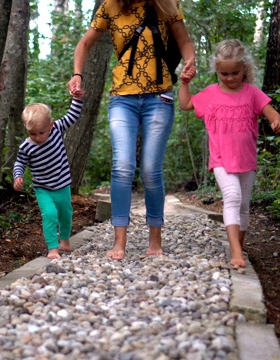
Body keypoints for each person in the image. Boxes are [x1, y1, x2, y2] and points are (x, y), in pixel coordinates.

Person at [67, 0, 196, 260]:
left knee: (150, 169)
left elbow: (185, 42)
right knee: (123, 166)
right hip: (122, 99)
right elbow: (84, 44)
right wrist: (77, 74)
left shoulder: (165, 4)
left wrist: (190, 63)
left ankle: (155, 240)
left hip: (159, 98)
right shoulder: (109, 7)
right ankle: (119, 242)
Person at [178, 39, 280, 268]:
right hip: (221, 161)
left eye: (234, 73)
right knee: (233, 198)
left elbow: (270, 111)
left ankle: (240, 245)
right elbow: (186, 104)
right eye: (224, 74)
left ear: (245, 69)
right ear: (217, 71)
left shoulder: (252, 93)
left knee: (244, 205)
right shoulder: (211, 94)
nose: (229, 78)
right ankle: (235, 251)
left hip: (247, 161)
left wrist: (276, 121)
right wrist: (185, 83)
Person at [13, 94, 84, 260]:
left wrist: (77, 98)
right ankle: (53, 248)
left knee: (66, 213)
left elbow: (72, 115)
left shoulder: (57, 129)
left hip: (62, 184)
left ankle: (65, 240)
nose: (37, 137)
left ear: (51, 126)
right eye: (32, 134)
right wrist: (18, 176)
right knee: (50, 214)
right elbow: (20, 163)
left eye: (41, 133)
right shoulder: (26, 147)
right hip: (43, 188)